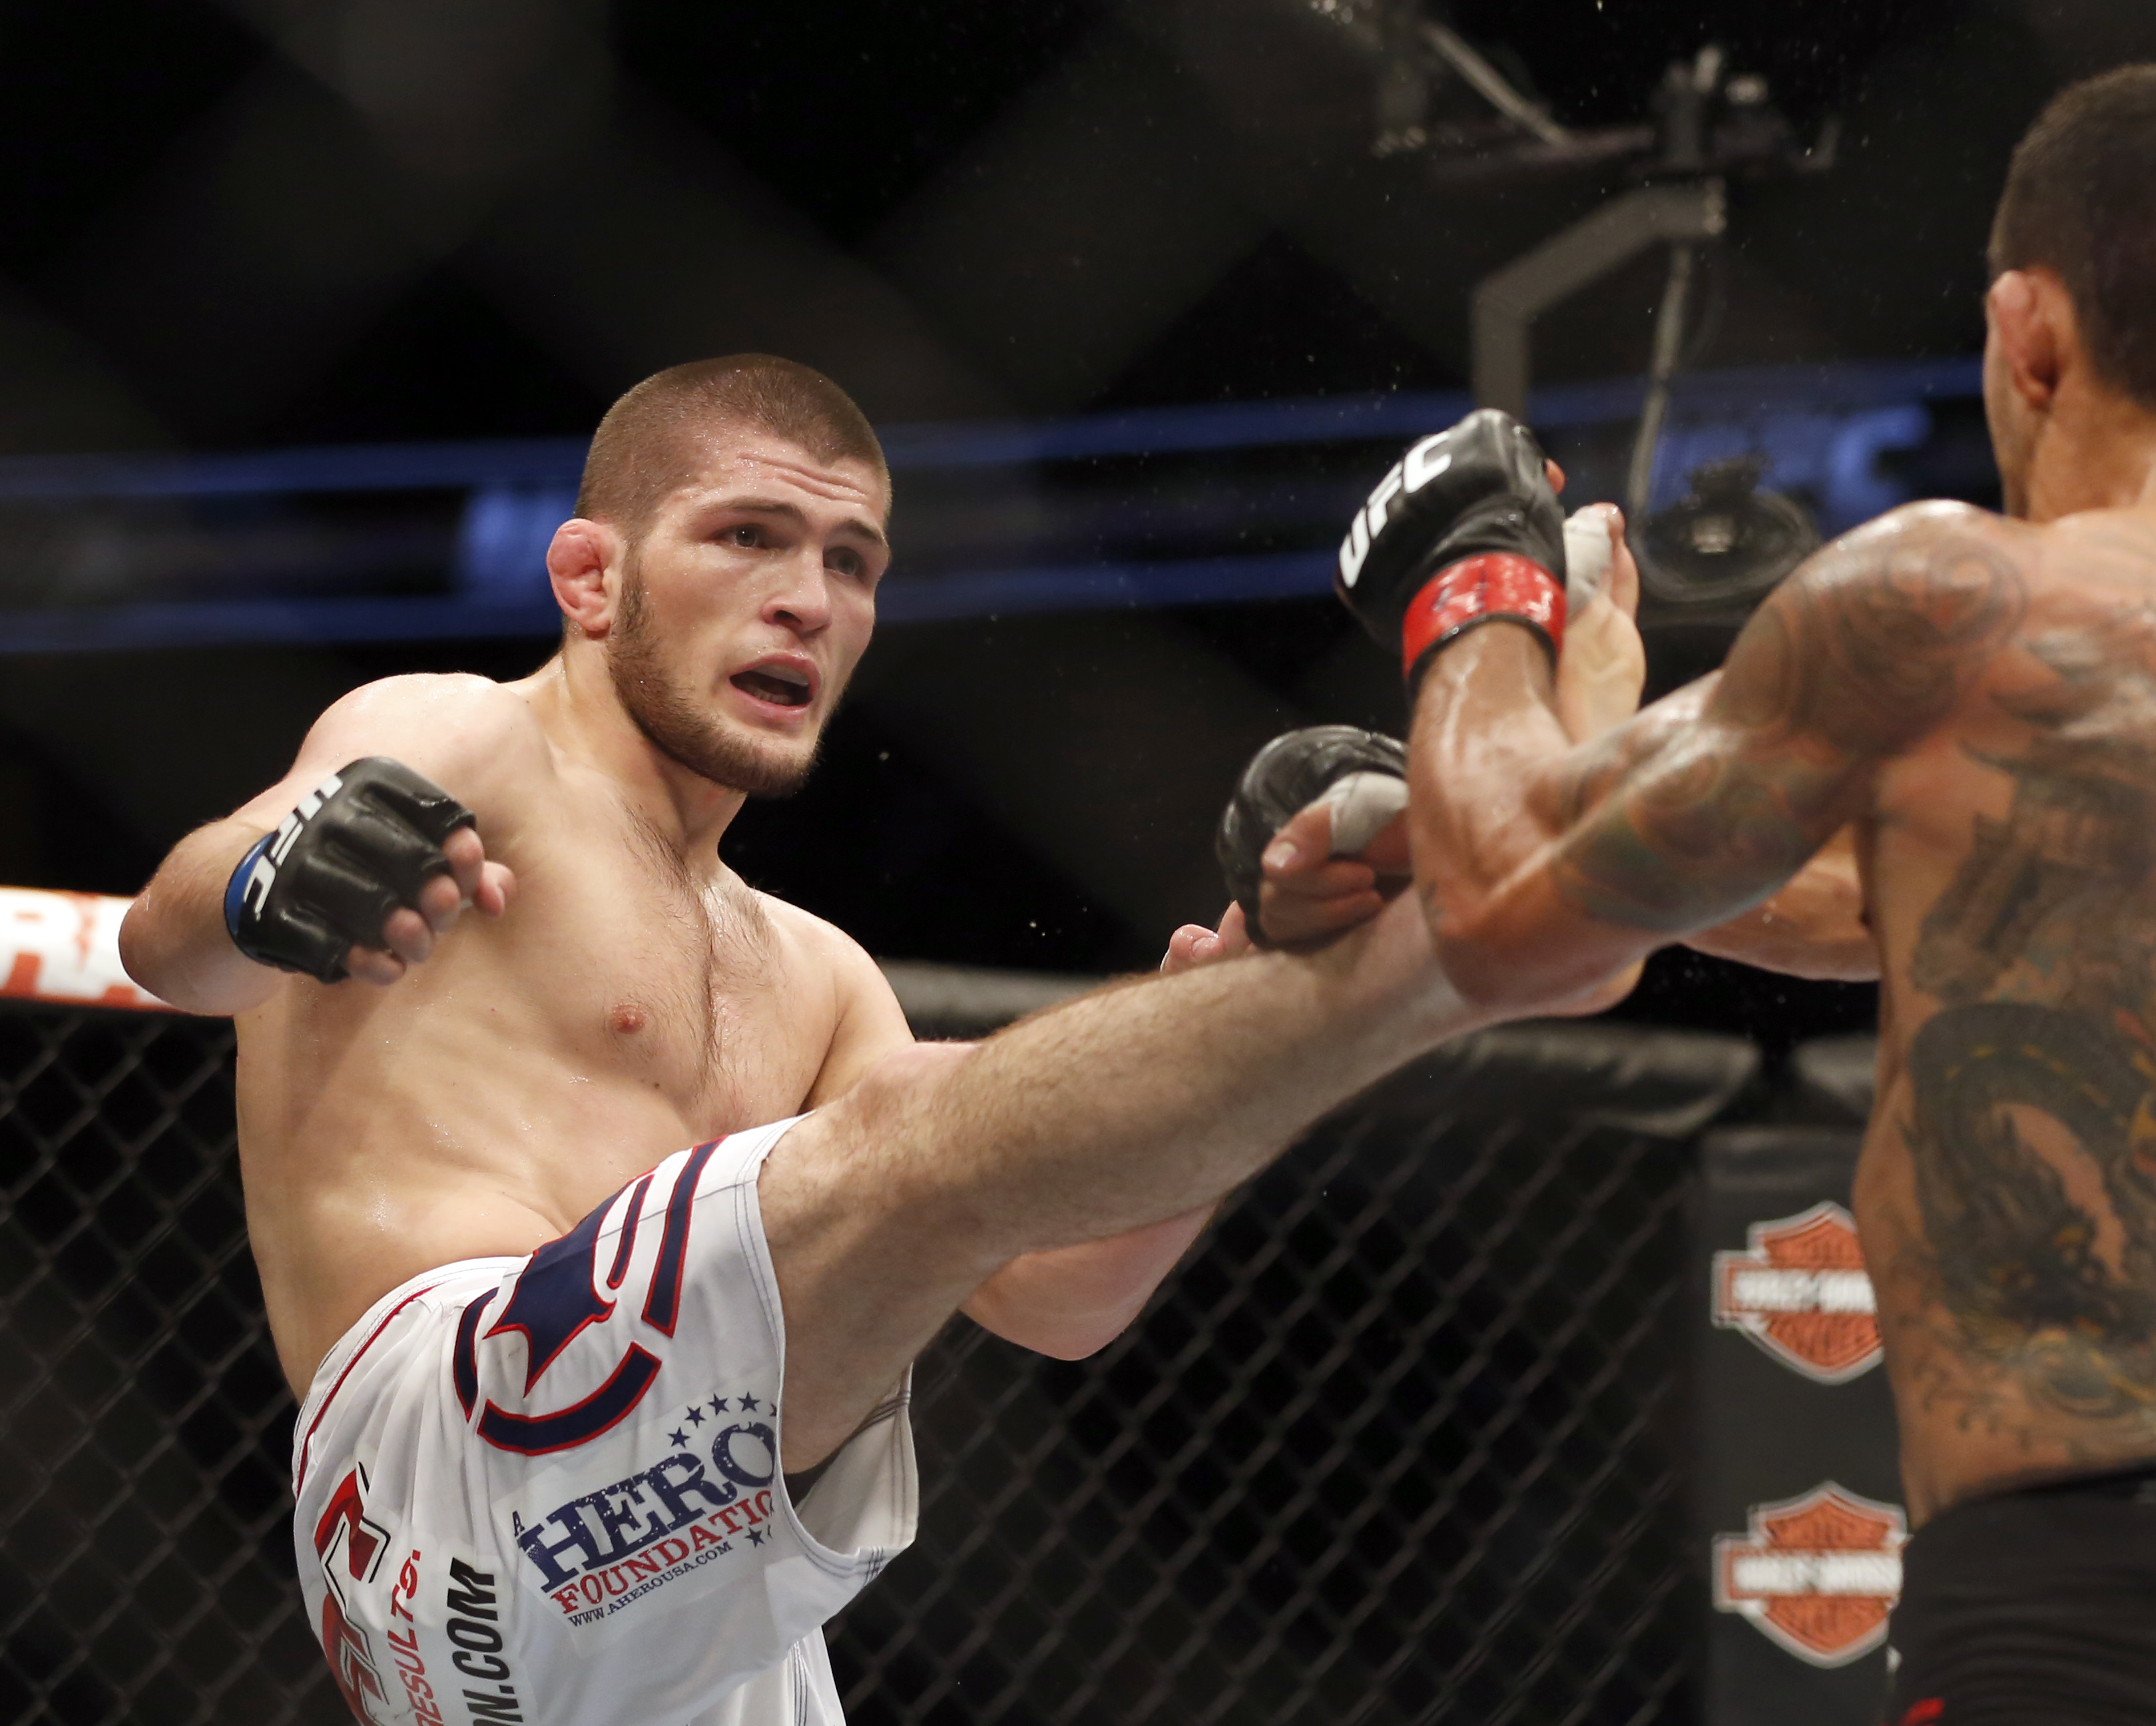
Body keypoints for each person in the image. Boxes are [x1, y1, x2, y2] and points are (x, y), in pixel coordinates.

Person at [1312, 63, 2156, 1725]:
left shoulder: (1963, 595)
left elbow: (1509, 901)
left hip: (2070, 1624)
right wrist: (1570, 717)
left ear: (2029, 335)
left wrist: (1475, 577)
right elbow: (1837, 896)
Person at [117, 356, 1508, 1726]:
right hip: (455, 1478)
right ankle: (1431, 918)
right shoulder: (467, 740)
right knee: (914, 1120)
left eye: (853, 563)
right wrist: (270, 882)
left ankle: (1307, 980)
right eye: (748, 537)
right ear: (592, 579)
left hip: (696, 1600)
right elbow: (167, 947)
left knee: (930, 1137)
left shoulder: (815, 970)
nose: (809, 599)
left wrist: (1247, 1007)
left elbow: (1059, 1299)